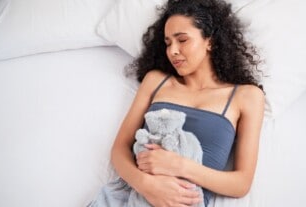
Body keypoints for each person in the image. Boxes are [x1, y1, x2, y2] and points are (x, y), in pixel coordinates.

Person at [110, 0, 265, 206]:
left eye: (182, 40)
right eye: (167, 43)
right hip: (129, 197)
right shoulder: (156, 81)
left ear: (209, 41)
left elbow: (241, 183)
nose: (172, 50)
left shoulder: (247, 96)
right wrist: (146, 185)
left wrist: (179, 166)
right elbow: (119, 149)